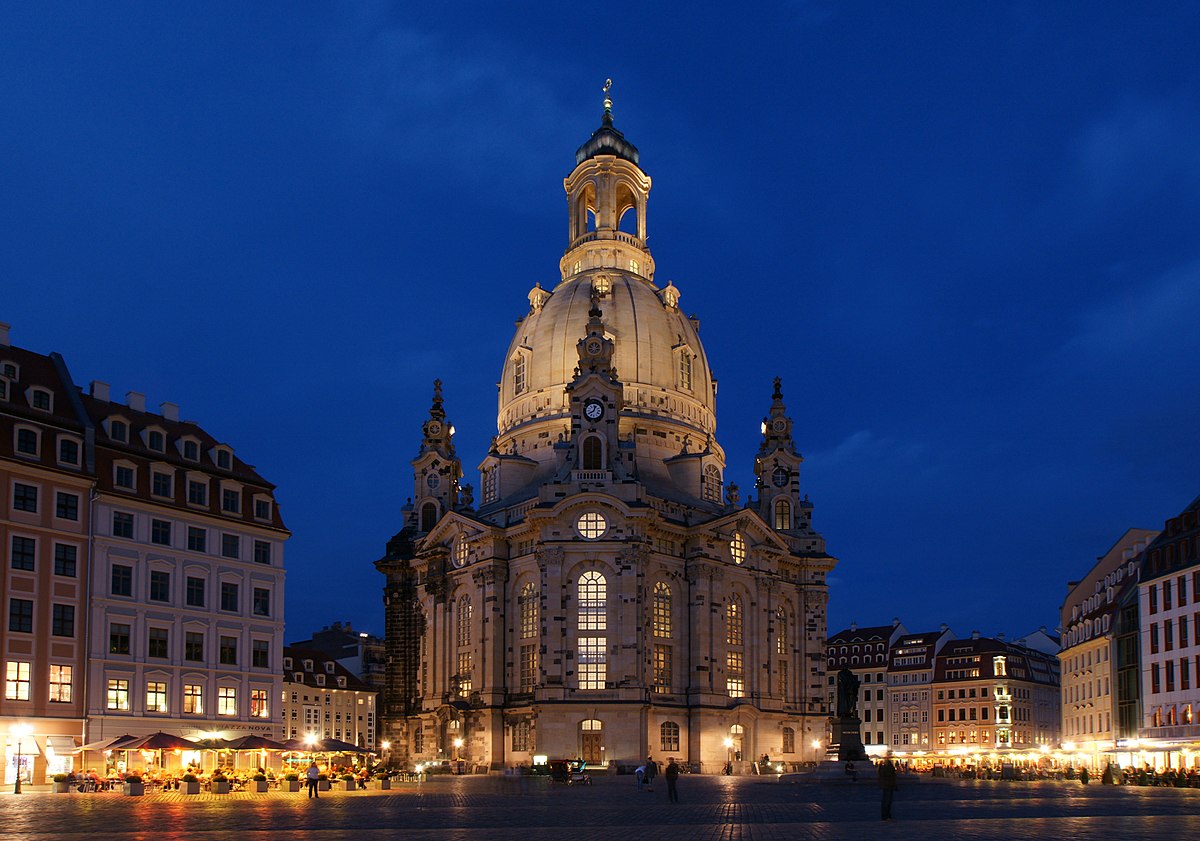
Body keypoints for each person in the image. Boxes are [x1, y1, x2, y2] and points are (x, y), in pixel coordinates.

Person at [878, 757, 898, 821]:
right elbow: (892, 779)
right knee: (887, 801)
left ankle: (885, 816)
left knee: (886, 801)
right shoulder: (889, 772)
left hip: (887, 786)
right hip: (889, 786)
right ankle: (887, 816)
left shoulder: (884, 770)